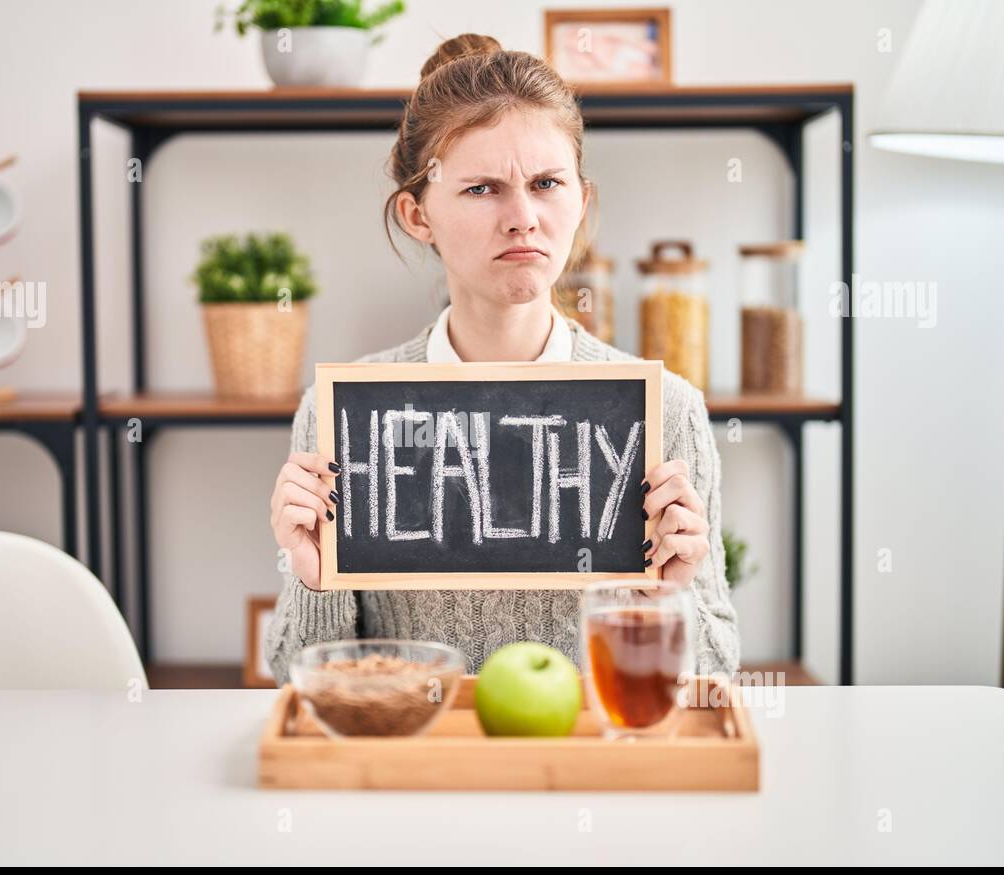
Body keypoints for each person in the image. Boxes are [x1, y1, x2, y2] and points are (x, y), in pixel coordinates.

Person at [265, 33, 739, 686]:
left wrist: (669, 600)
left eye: (547, 183)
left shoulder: (668, 416)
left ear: (582, 198)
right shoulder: (340, 417)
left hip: (587, 774)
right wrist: (314, 582)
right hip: (416, 772)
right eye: (483, 189)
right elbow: (298, 678)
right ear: (417, 213)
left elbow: (715, 674)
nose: (523, 218)